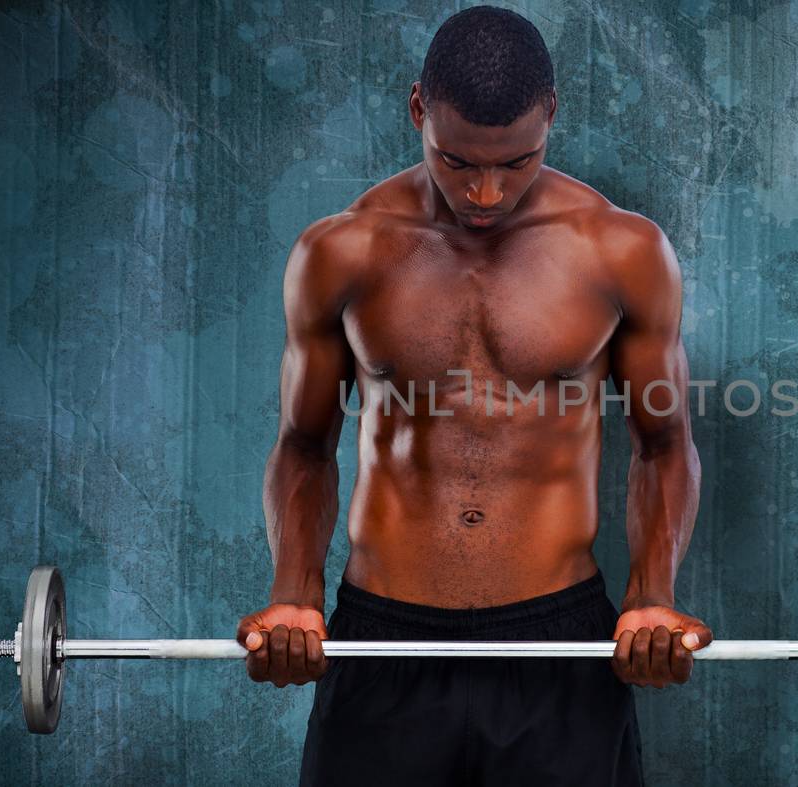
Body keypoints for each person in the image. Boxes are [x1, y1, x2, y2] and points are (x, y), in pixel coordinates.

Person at [235, 6, 708, 785]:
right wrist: (294, 592)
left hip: (557, 644)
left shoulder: (622, 251)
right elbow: (304, 444)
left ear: (551, 113)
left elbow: (664, 445)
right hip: (385, 639)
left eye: (517, 162)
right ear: (418, 108)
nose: (486, 192)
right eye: (457, 162)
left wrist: (652, 593)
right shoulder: (341, 251)